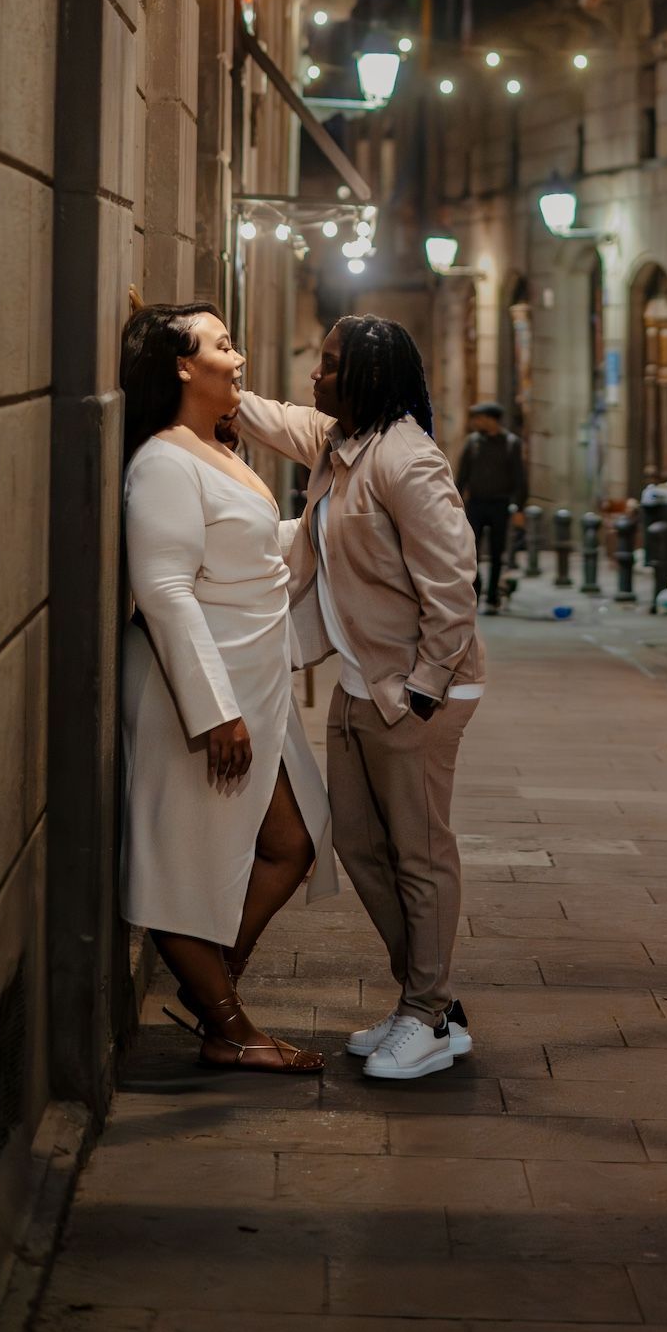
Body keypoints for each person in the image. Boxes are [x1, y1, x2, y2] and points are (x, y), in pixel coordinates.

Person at [240, 315, 484, 1083]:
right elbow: (272, 417)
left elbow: (453, 586)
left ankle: (430, 1012)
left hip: (415, 687)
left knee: (418, 850)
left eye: (331, 364)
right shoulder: (341, 446)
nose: (316, 375)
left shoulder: (405, 462)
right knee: (356, 840)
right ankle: (426, 999)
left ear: (369, 378)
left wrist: (422, 691)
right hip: (358, 681)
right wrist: (200, 375)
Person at [118, 303, 334, 1076]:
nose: (238, 356)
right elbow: (166, 588)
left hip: (254, 679)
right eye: (222, 344)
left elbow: (243, 551)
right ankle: (228, 1023)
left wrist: (324, 522)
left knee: (290, 842)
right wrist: (215, 713)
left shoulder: (212, 447)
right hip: (197, 696)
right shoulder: (161, 462)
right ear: (182, 365)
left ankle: (216, 997)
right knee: (179, 861)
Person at [455, 398, 527, 611]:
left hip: (499, 504)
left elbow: (519, 479)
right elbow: (462, 476)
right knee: (471, 551)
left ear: (490, 420)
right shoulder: (473, 442)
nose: (476, 423)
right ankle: (476, 590)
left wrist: (519, 508)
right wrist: (455, 503)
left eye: (479, 418)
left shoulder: (511, 444)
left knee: (497, 552)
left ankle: (493, 596)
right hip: (475, 504)